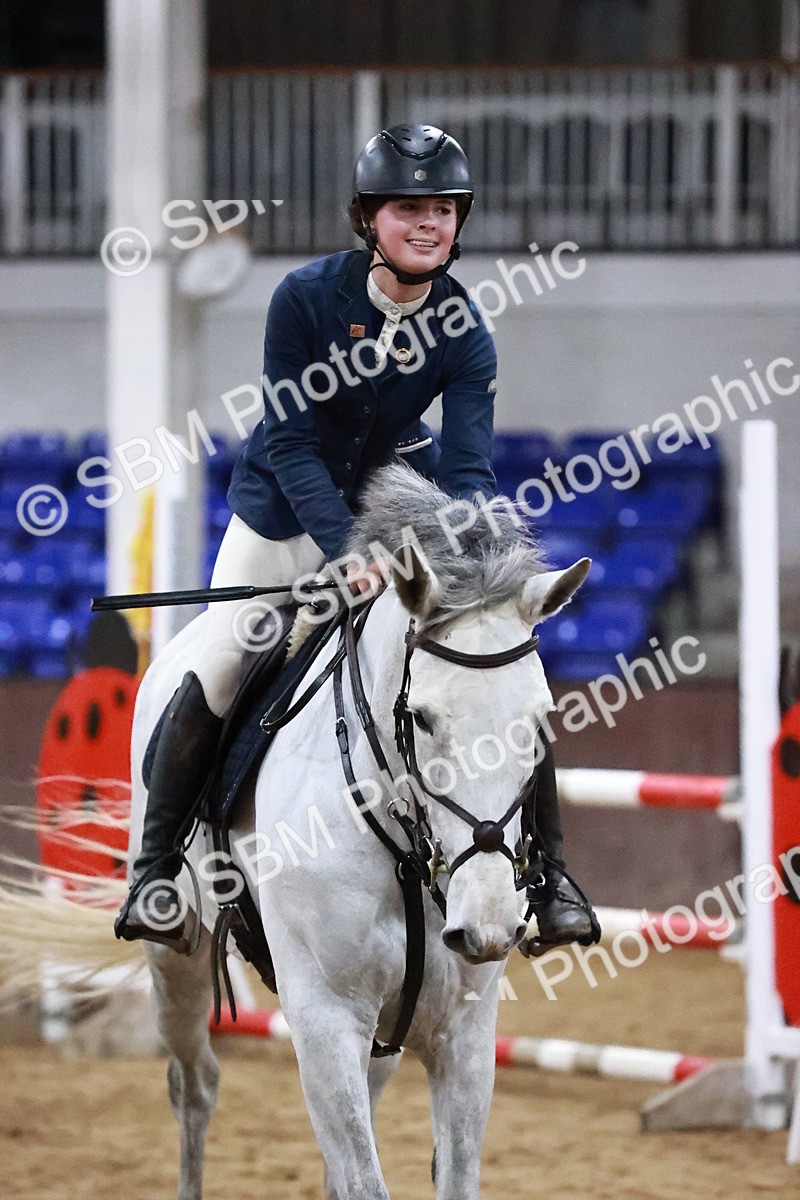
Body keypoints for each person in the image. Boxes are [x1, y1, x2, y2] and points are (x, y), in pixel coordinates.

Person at [115, 123, 594, 955]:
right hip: (280, 522)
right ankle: (157, 871)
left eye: (443, 209)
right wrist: (348, 552)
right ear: (368, 216)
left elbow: (472, 469)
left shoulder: (466, 328)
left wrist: (466, 561)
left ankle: (550, 877)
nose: (428, 224)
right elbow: (294, 445)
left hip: (397, 525)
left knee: (498, 676)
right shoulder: (303, 299)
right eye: (409, 207)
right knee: (222, 659)